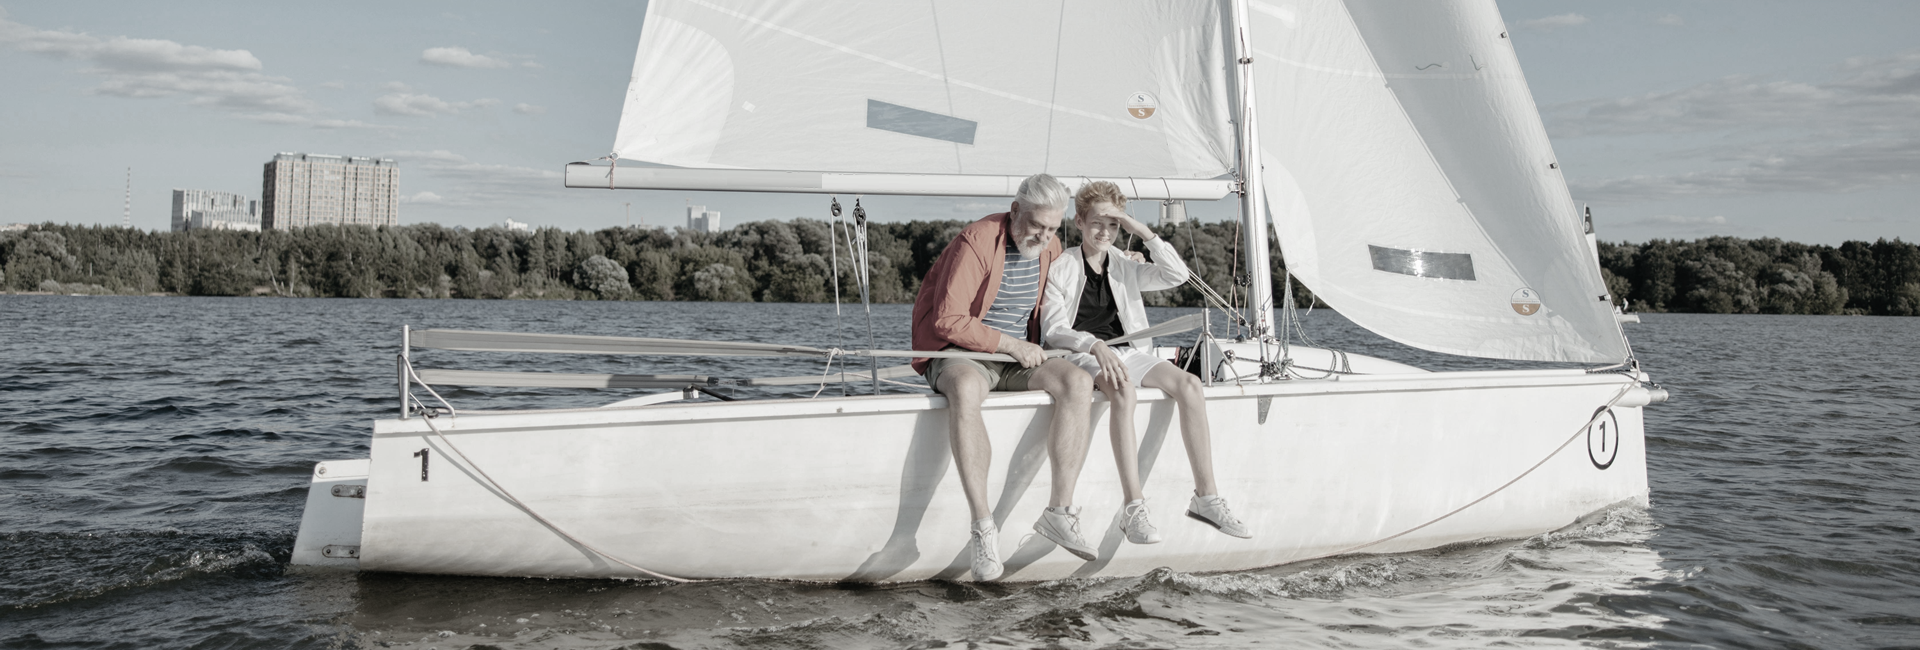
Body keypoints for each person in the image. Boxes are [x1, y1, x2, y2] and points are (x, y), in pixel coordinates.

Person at [1039, 181, 1251, 545]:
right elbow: (1054, 329)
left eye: (1114, 225)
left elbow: (1177, 275)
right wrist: (1093, 345)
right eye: (1097, 223)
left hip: (1130, 351)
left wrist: (1142, 232)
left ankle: (1206, 497)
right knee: (1123, 393)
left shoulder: (1125, 264)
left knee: (1190, 385)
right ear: (1079, 223)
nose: (1105, 232)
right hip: (1081, 355)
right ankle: (1133, 507)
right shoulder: (1062, 268)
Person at [911, 173, 1098, 582]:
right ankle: (983, 527)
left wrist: (1122, 260)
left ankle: (1059, 513)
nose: (1045, 236)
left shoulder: (1050, 248)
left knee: (1077, 381)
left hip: (1017, 356)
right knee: (963, 388)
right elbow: (948, 319)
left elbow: (1081, 273)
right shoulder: (976, 240)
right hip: (962, 353)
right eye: (1037, 226)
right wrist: (1010, 345)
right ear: (1015, 211)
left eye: (1053, 228)